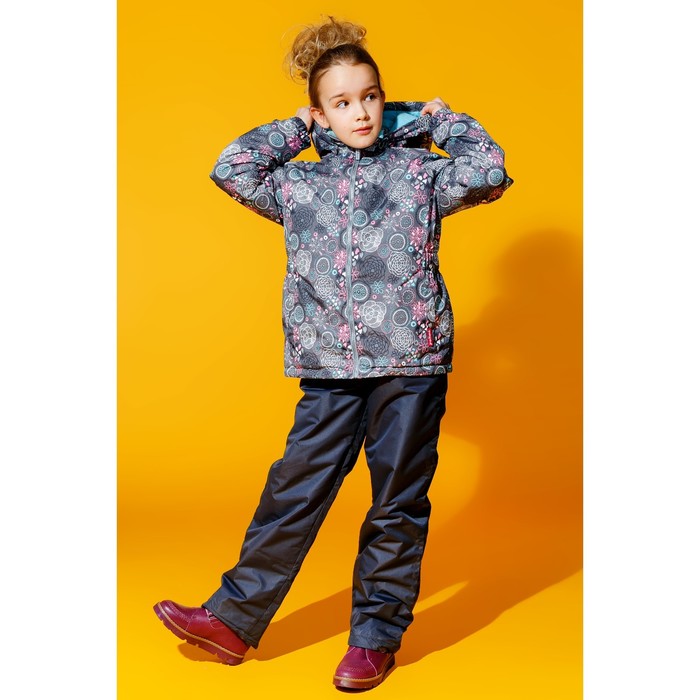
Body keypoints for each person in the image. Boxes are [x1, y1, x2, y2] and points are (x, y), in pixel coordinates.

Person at [154, 15, 513, 691]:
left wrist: (430, 120)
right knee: (294, 489)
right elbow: (231, 167)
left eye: (371, 97)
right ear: (320, 114)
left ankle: (375, 638)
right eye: (342, 102)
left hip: (411, 363)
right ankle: (233, 620)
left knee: (397, 502)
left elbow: (490, 171)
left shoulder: (421, 174)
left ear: (386, 99)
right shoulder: (299, 185)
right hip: (329, 367)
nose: (362, 112)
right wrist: (298, 131)